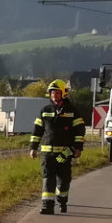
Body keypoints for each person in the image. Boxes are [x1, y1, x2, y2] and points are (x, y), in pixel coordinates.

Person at [30, 80, 85, 215]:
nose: (54, 95)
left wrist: (77, 148)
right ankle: (47, 206)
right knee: (48, 178)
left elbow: (80, 131)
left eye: (57, 92)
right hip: (48, 154)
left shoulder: (72, 111)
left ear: (63, 94)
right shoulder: (45, 111)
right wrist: (33, 148)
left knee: (64, 179)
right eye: (52, 92)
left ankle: (62, 199)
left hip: (64, 154)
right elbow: (37, 131)